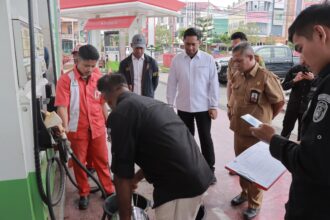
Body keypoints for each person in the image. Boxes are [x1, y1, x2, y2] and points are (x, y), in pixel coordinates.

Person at [250, 3, 330, 219]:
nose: (302, 60)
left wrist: (273, 140)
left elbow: (313, 163)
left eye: (301, 48)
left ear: (320, 34)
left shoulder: (327, 85)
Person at [97, 74, 213, 220]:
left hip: (179, 189)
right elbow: (160, 150)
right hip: (198, 175)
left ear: (106, 96)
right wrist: (136, 179)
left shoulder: (120, 114)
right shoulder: (151, 103)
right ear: (127, 87)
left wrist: (125, 218)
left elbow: (121, 176)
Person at [229, 42, 284, 219]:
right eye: (234, 60)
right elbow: (234, 97)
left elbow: (279, 102)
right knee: (242, 167)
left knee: (255, 170)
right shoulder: (238, 74)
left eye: (239, 60)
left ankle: (255, 203)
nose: (235, 64)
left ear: (251, 57)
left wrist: (266, 120)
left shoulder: (265, 77)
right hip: (239, 131)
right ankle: (244, 193)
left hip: (257, 135)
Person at [55, 45, 115, 210]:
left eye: (93, 66)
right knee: (79, 163)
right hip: (76, 130)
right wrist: (64, 129)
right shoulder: (66, 80)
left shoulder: (98, 78)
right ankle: (84, 193)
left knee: (102, 160)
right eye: (86, 65)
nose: (89, 69)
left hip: (97, 127)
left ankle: (108, 190)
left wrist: (109, 122)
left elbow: (102, 103)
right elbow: (61, 106)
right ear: (77, 61)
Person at [166, 28, 219, 183]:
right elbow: (171, 84)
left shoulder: (208, 59)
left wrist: (214, 105)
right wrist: (170, 105)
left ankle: (210, 170)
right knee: (186, 140)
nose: (190, 48)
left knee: (205, 138)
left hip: (203, 108)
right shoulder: (177, 60)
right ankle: (188, 169)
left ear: (199, 43)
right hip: (183, 108)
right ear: (183, 42)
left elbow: (213, 84)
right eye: (187, 44)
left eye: (193, 44)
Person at [280, 57, 314, 140]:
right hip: (293, 106)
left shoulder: (316, 70)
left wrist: (313, 79)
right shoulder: (294, 69)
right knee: (286, 130)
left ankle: (299, 151)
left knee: (303, 134)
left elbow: (322, 87)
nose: (303, 60)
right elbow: (283, 86)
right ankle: (281, 150)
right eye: (302, 57)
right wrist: (294, 80)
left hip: (307, 108)